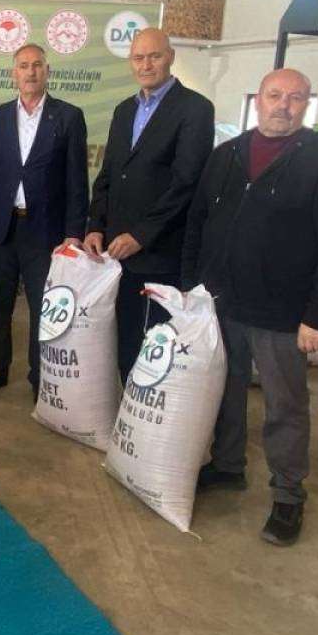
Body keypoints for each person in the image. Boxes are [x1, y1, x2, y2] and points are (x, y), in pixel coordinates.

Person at [182, 68, 318, 547]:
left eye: (295, 98)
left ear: (308, 105)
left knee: (285, 405)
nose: (284, 105)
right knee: (225, 391)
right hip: (222, 302)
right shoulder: (226, 155)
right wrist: (191, 288)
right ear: (258, 100)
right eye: (275, 95)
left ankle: (287, 494)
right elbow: (197, 222)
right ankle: (227, 465)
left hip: (283, 314)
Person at [85, 27, 214, 383]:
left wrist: (141, 235)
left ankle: (144, 407)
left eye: (154, 56)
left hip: (158, 252)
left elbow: (186, 183)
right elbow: (109, 173)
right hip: (115, 253)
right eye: (138, 58)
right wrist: (95, 224)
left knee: (153, 343)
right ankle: (127, 402)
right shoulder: (124, 110)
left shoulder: (195, 109)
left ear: (170, 57)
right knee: (122, 336)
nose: (146, 65)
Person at [0, 43, 88, 396]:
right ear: (13, 73)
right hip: (0, 229)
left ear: (47, 71)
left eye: (37, 65)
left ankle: (40, 377)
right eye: (23, 66)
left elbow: (77, 180)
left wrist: (74, 233)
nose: (30, 72)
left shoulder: (69, 117)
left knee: (42, 309)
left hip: (46, 233)